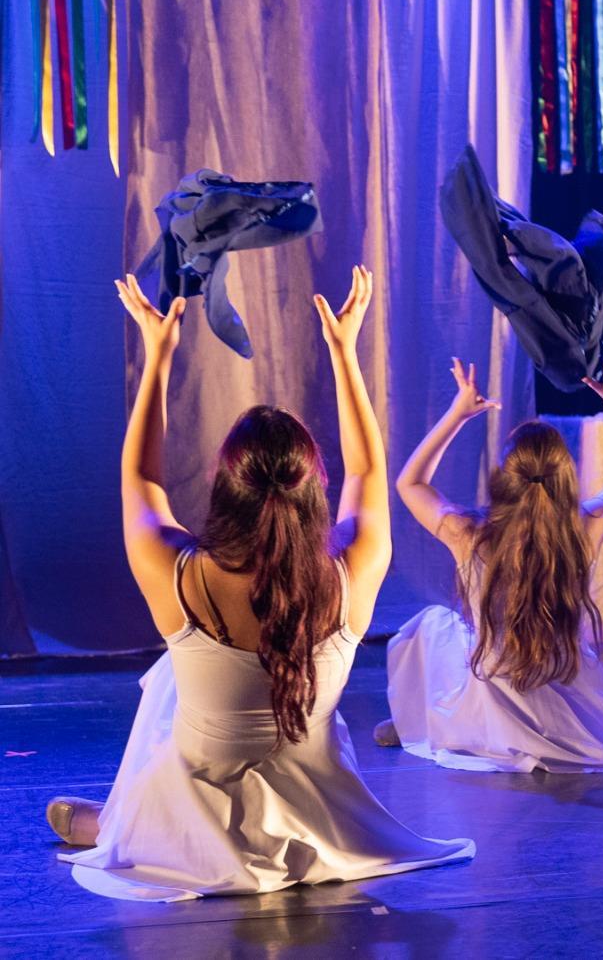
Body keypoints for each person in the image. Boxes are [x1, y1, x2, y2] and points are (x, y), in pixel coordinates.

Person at [49, 267, 473, 901]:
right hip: (316, 796)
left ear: (224, 487)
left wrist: (158, 352)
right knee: (182, 679)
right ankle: (131, 821)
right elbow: (367, 470)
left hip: (203, 795)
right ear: (314, 488)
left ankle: (122, 824)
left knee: (172, 679)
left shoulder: (178, 572)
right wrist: (344, 351)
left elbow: (141, 478)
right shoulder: (354, 568)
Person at [376, 356, 603, 773]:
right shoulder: (583, 530)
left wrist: (458, 414)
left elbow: (410, 483)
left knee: (429, 627)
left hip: (491, 690)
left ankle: (422, 721)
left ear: (504, 479)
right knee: (448, 631)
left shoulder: (470, 534)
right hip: (562, 678)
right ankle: (429, 722)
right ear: (565, 476)